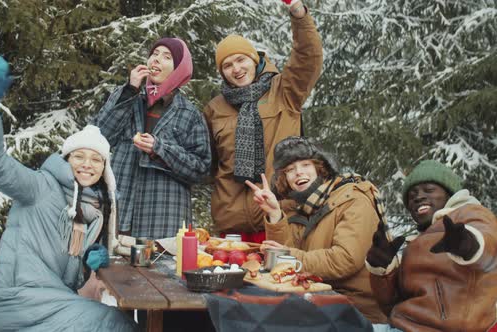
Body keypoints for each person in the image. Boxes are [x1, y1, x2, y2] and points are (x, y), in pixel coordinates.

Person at [0, 56, 136, 331]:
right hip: (19, 302)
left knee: (121, 321)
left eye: (96, 160)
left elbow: (66, 265)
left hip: (55, 300)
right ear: (67, 159)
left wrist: (88, 259)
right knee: (116, 325)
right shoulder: (40, 187)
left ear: (104, 169)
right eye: (79, 157)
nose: (87, 164)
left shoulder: (93, 210)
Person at [203, 0, 323, 243]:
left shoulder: (284, 90)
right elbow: (212, 164)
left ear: (254, 60)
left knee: (277, 279)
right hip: (231, 223)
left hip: (279, 216)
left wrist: (298, 13)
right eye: (227, 65)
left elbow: (308, 57)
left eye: (241, 60)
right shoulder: (215, 108)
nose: (236, 69)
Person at [247, 136, 387, 323]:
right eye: (290, 169)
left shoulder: (353, 199)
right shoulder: (297, 207)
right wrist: (274, 214)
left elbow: (345, 259)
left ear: (320, 167)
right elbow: (283, 267)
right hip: (315, 300)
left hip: (356, 309)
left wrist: (290, 256)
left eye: (305, 165)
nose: (298, 173)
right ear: (284, 178)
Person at [94, 37, 211, 239]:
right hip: (119, 214)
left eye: (167, 57)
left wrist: (160, 149)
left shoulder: (189, 114)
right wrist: (130, 89)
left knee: (158, 271)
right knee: (111, 269)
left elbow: (200, 169)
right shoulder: (128, 96)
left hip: (163, 219)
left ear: (179, 69)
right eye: (154, 54)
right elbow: (99, 138)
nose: (156, 60)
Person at [367, 160, 497, 332]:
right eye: (412, 195)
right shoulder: (415, 243)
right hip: (400, 326)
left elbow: (488, 241)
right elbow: (391, 306)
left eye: (429, 190)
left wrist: (468, 244)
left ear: (449, 193)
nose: (418, 197)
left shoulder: (468, 214)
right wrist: (382, 268)